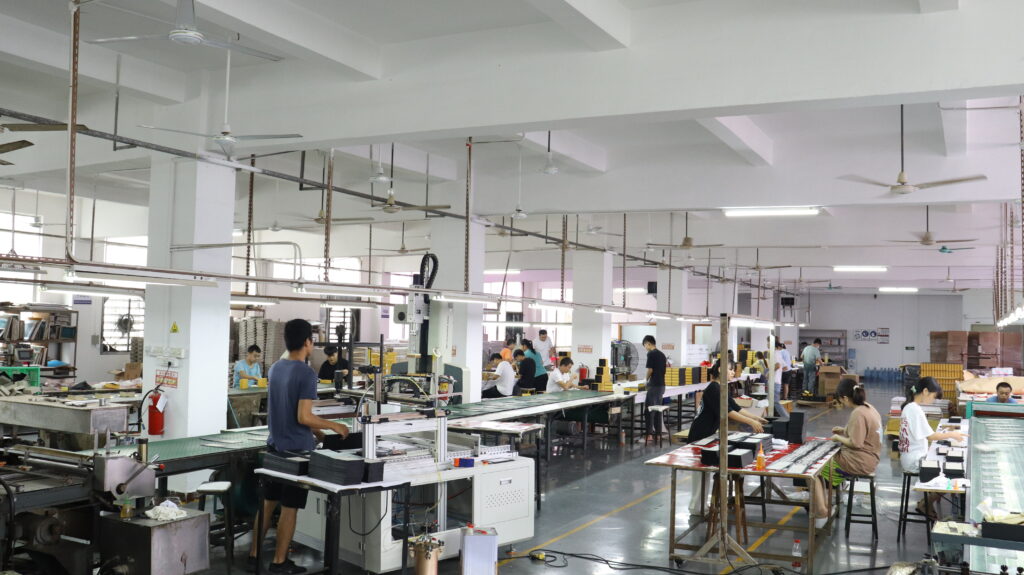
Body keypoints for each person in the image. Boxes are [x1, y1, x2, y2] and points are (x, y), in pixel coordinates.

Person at [248, 320, 349, 574]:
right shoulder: (306, 374)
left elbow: (289, 411)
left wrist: (318, 432)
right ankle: (279, 562)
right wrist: (334, 427)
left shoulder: (275, 368)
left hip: (275, 448)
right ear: (308, 342)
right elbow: (303, 416)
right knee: (290, 507)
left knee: (269, 502)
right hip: (297, 454)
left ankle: (254, 554)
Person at [686, 362, 767, 513]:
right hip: (699, 435)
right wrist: (751, 422)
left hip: (708, 435)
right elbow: (726, 412)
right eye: (730, 369)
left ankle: (700, 506)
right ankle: (696, 508)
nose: (732, 372)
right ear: (720, 369)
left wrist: (757, 419)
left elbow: (735, 407)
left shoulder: (721, 388)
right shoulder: (713, 389)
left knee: (704, 472)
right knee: (699, 474)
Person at [811, 377, 882, 528]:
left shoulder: (858, 413)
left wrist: (838, 437)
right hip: (870, 458)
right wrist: (844, 430)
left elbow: (856, 443)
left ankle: (822, 512)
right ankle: (827, 502)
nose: (841, 404)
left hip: (860, 461)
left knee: (813, 470)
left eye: (841, 400)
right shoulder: (868, 408)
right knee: (824, 459)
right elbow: (863, 433)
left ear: (844, 397)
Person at [899, 377, 967, 518]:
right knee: (951, 474)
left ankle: (927, 501)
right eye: (933, 396)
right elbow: (930, 436)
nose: (933, 400)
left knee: (948, 467)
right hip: (914, 461)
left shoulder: (910, 407)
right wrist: (952, 434)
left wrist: (946, 433)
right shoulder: (914, 410)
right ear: (925, 391)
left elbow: (925, 434)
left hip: (911, 456)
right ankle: (926, 503)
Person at [643, 335, 668, 441]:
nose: (645, 348)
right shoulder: (662, 354)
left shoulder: (651, 353)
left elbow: (650, 370)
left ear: (648, 343)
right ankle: (658, 434)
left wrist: (645, 380)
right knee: (657, 410)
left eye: (645, 345)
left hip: (654, 386)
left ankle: (648, 435)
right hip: (662, 385)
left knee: (649, 410)